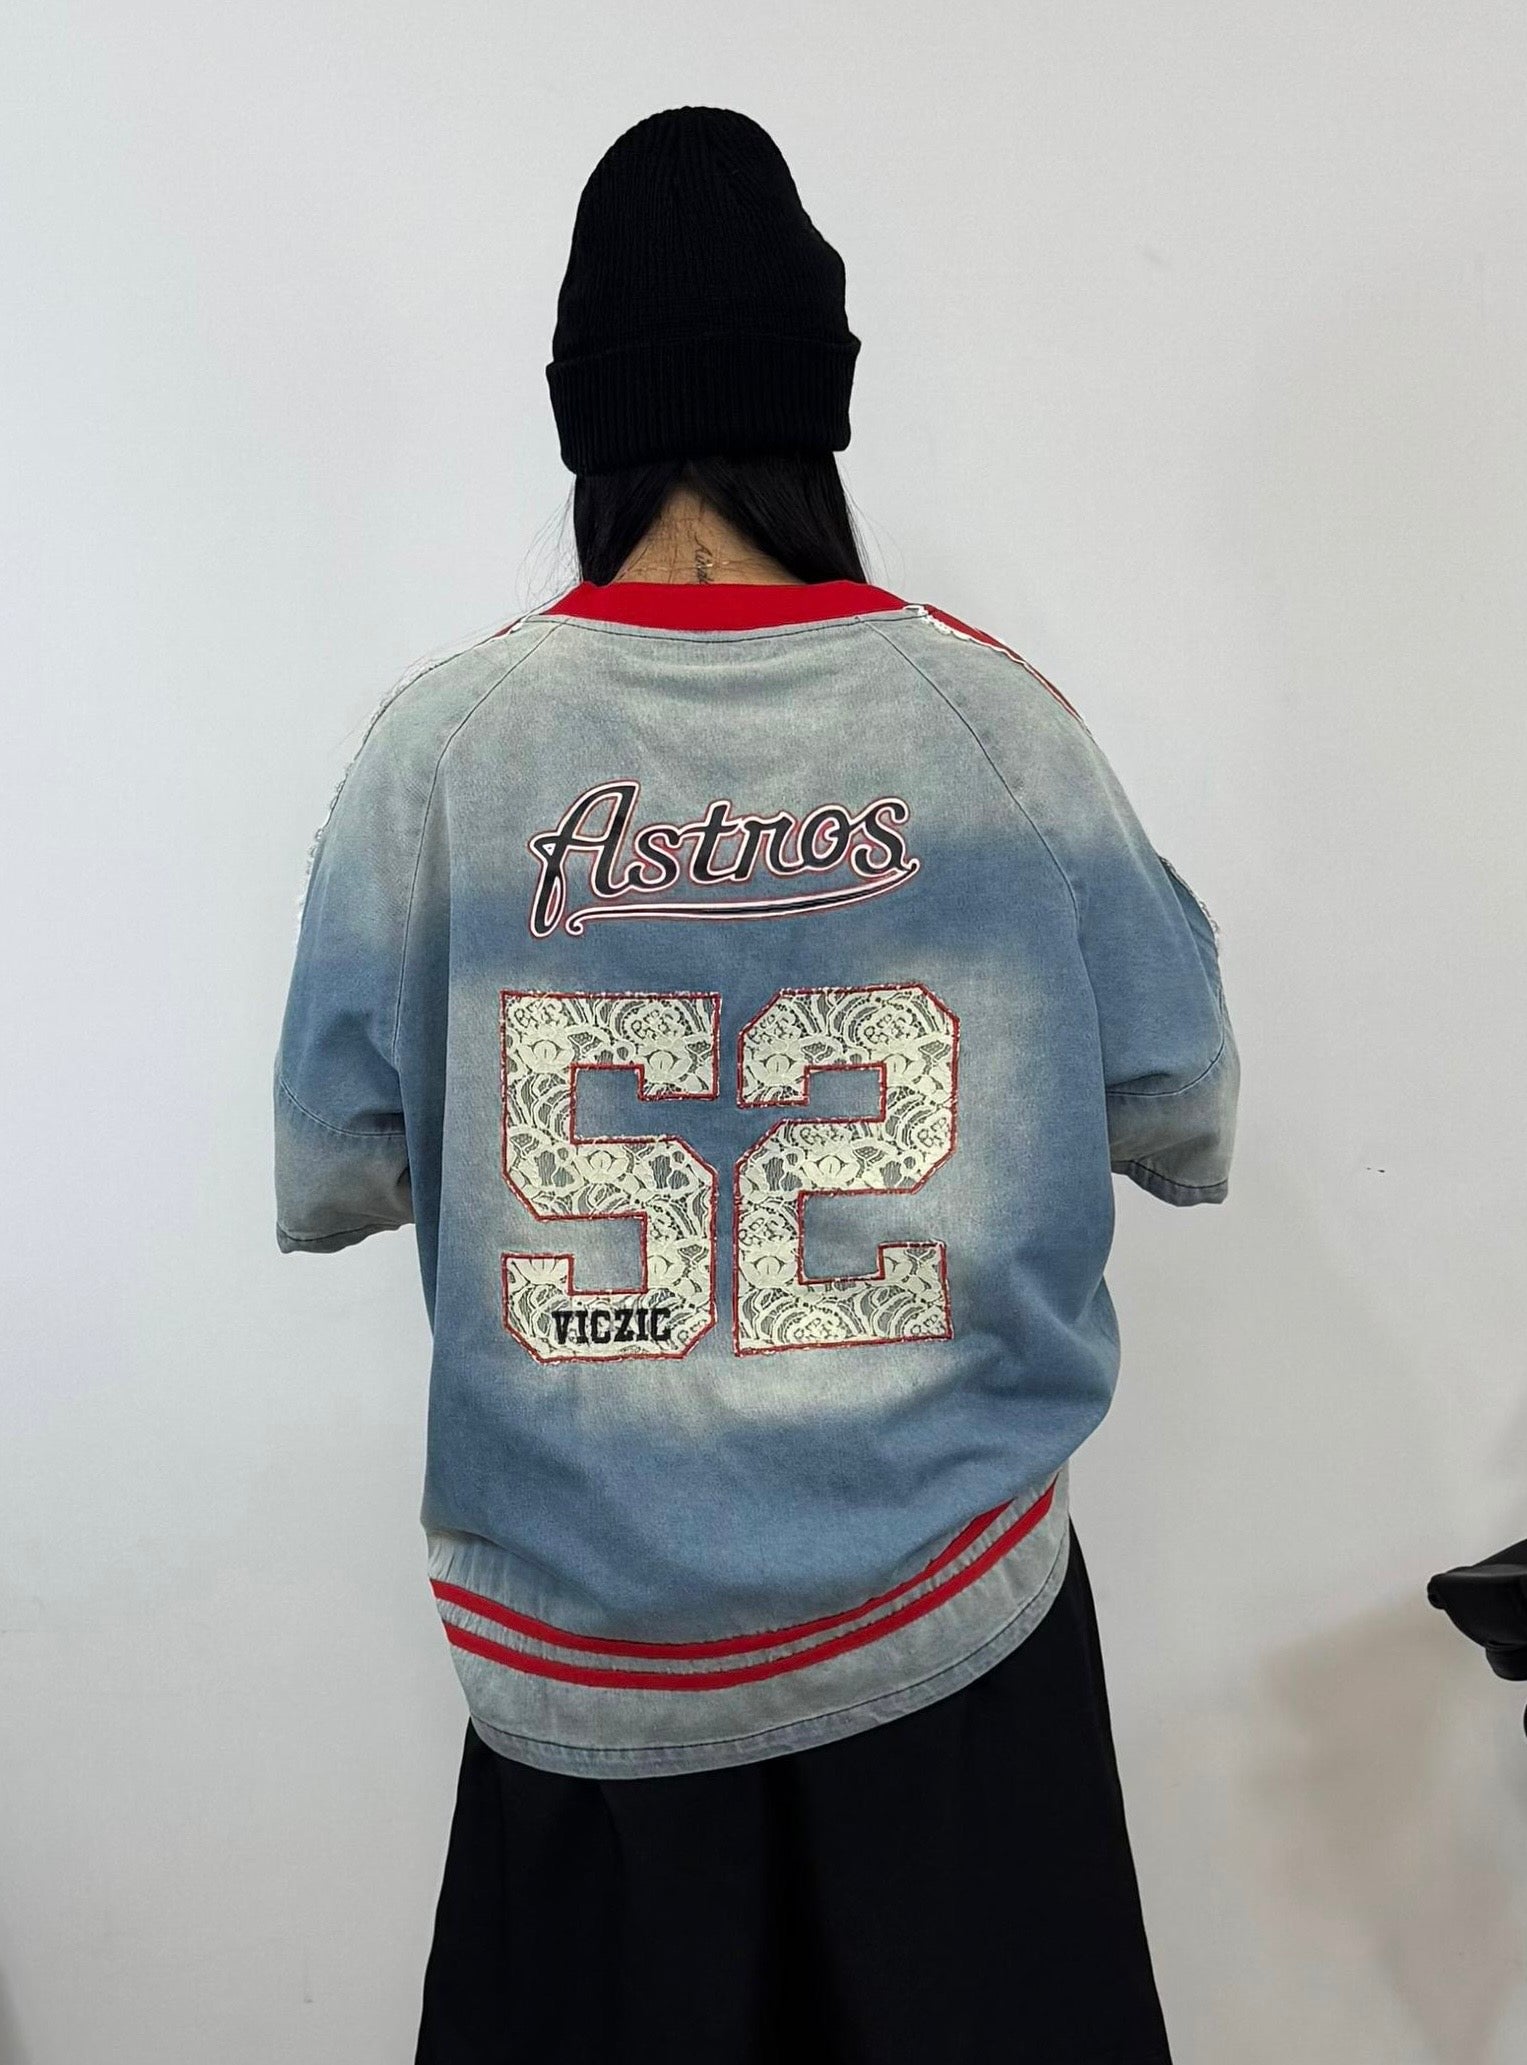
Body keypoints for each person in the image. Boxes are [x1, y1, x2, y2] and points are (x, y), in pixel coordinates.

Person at [272, 105, 1238, 2065]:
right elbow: (1177, 1109)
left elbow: (336, 1163)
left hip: (583, 1685)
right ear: (822, 400)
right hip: (955, 1650)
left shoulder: (435, 762)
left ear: (585, 415)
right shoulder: (998, 731)